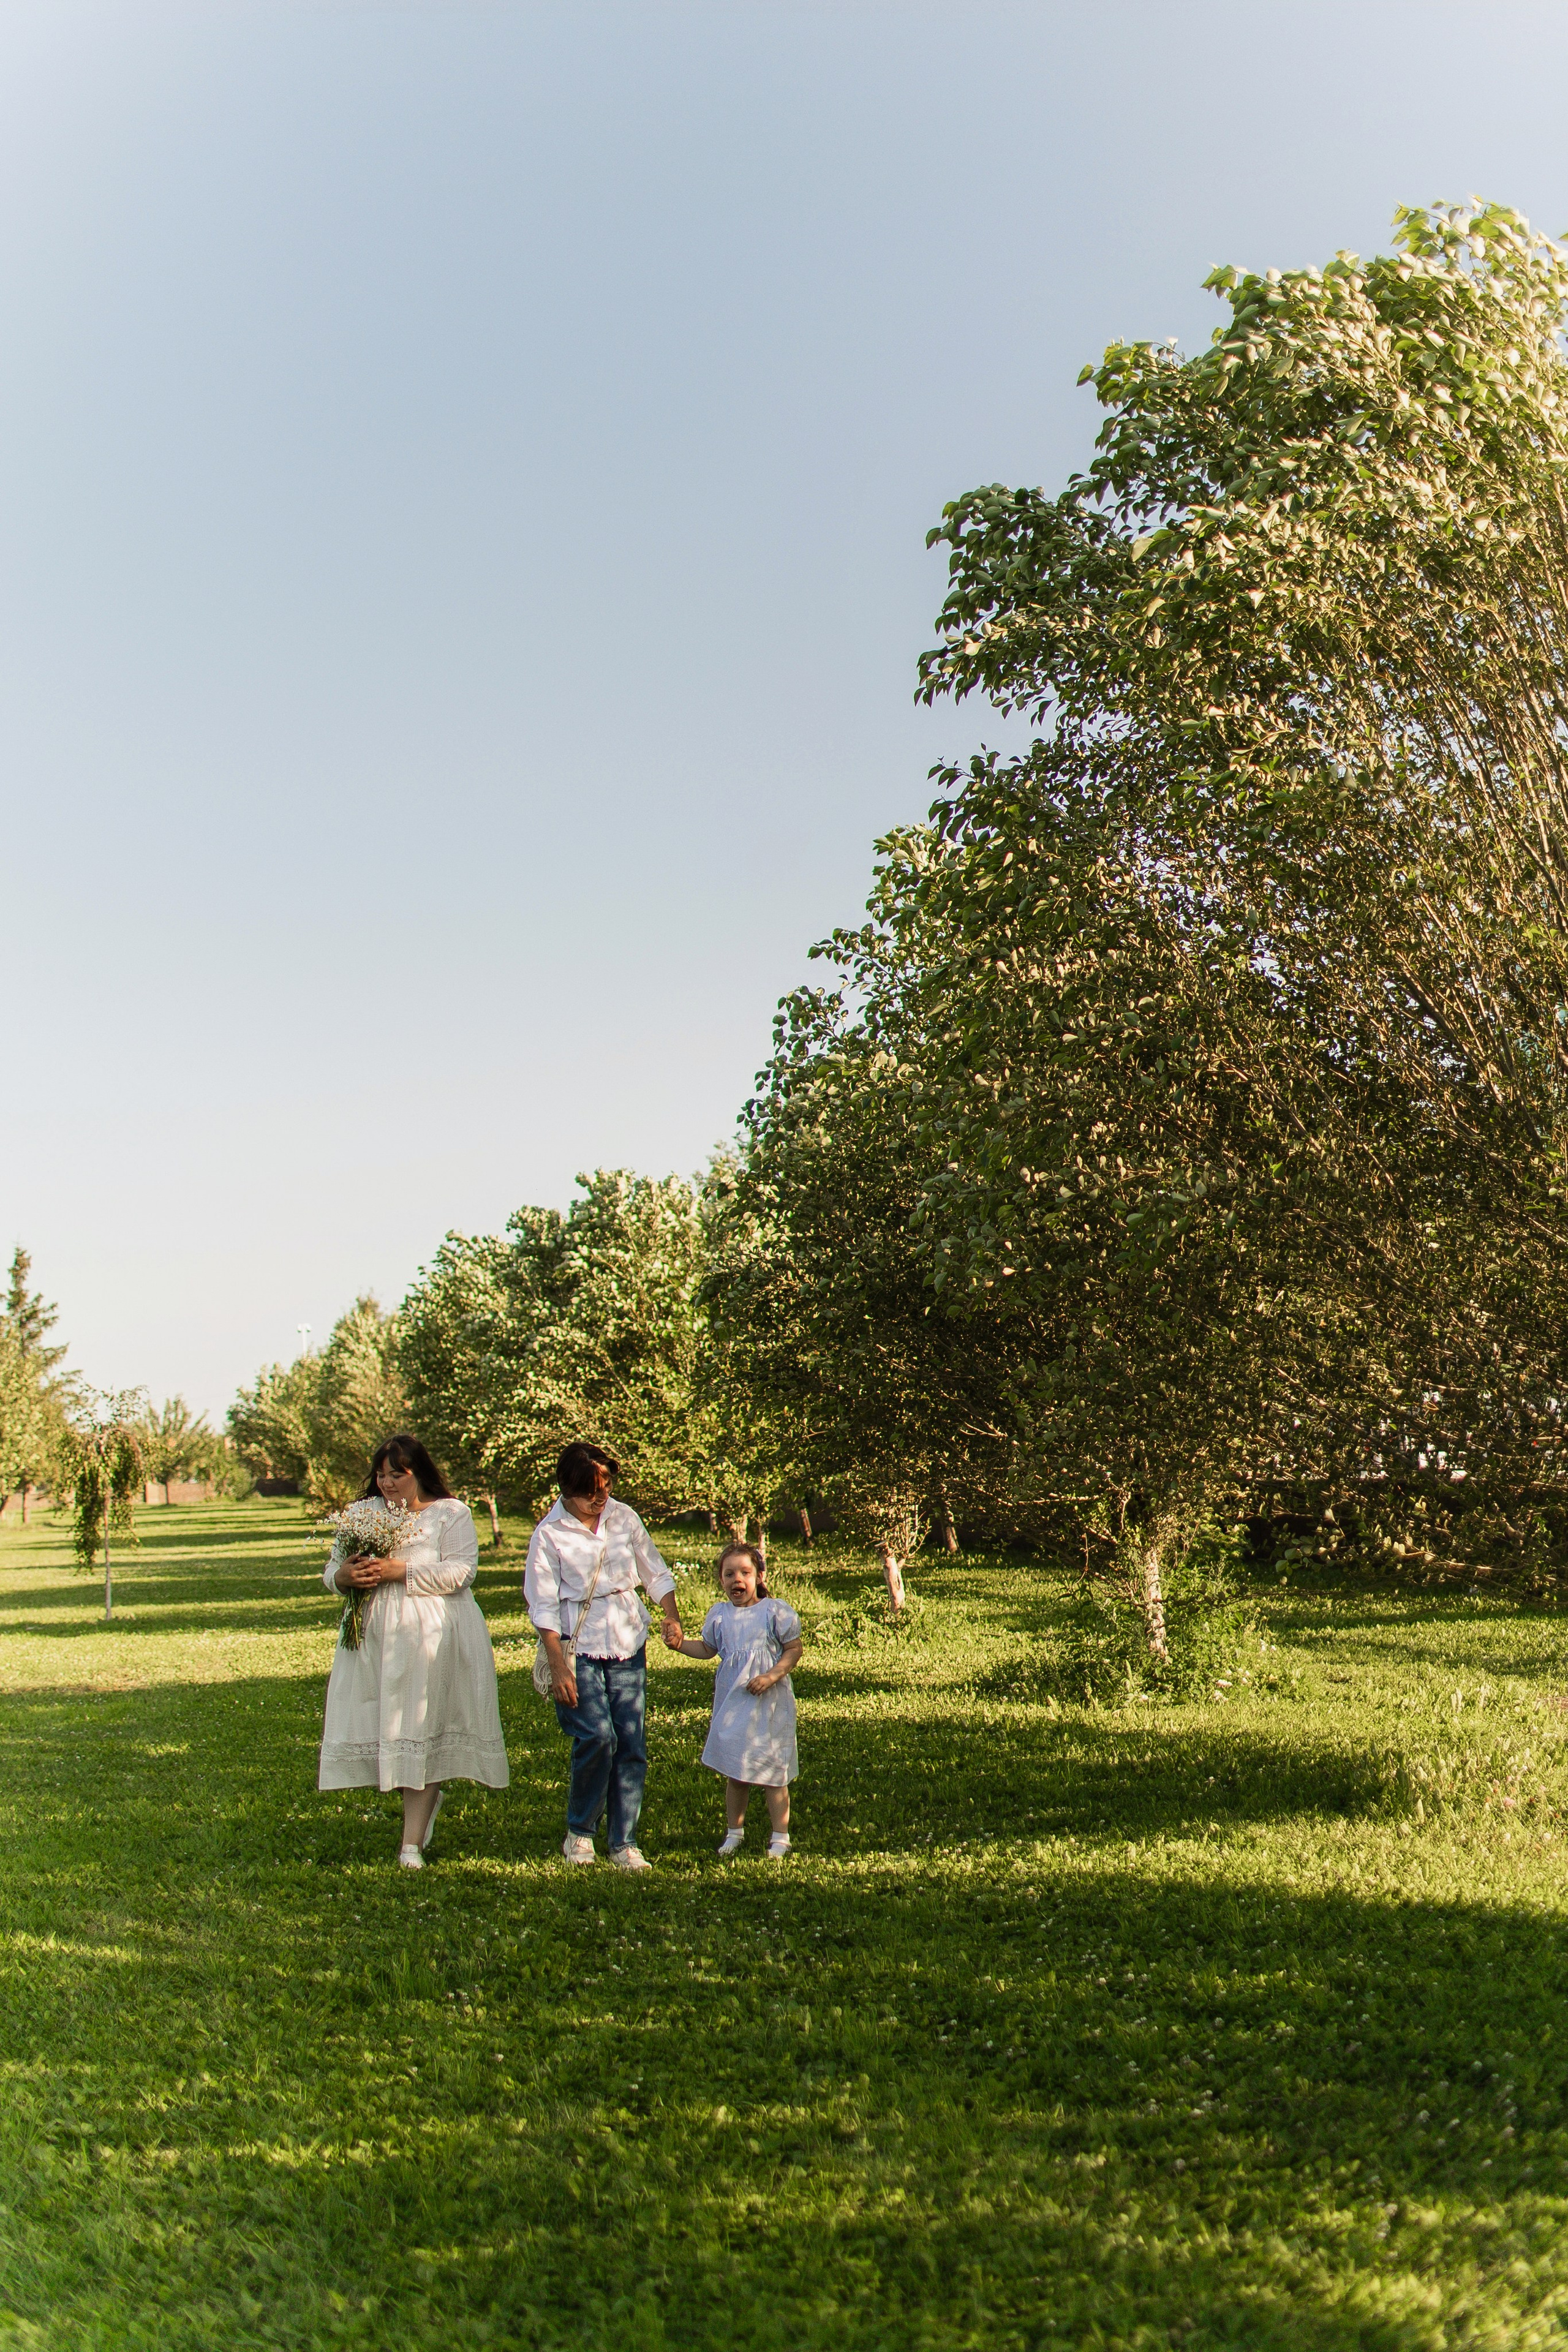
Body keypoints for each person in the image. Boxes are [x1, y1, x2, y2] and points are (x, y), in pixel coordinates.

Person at [318, 1433, 510, 1869]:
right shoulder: (362, 1514)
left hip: (435, 1633)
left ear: (418, 1472)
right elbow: (331, 1571)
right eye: (381, 1475)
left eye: (397, 1475)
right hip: (376, 1635)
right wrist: (346, 1578)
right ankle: (418, 1819)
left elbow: (462, 1572)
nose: (387, 1483)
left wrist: (398, 1570)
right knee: (391, 1725)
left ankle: (410, 1844)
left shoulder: (450, 1513)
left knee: (425, 1723)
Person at [524, 1441, 683, 1871]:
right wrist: (559, 1666)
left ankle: (624, 1842)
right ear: (566, 1489)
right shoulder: (550, 1534)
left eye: (607, 1486)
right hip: (579, 1645)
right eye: (590, 1491)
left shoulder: (623, 1516)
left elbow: (653, 1569)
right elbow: (541, 1605)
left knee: (630, 1741)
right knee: (597, 1736)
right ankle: (580, 1833)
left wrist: (670, 1615)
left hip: (627, 1638)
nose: (600, 1498)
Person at [673, 1540, 802, 1858]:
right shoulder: (720, 1616)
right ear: (721, 1581)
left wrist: (772, 1676)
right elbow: (707, 1649)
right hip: (734, 1705)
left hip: (769, 1704)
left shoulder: (774, 1612)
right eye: (729, 1574)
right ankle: (735, 1832)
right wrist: (679, 1644)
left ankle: (780, 1837)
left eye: (745, 1572)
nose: (737, 1580)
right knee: (736, 1770)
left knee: (774, 1770)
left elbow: (794, 1649)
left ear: (759, 1576)